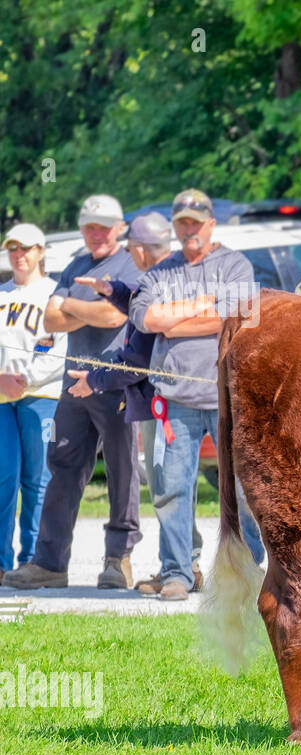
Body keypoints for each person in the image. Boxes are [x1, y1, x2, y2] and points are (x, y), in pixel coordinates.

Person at [4, 195, 143, 591]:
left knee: (123, 472)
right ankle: (50, 562)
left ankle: (118, 560)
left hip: (116, 381)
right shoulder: (77, 264)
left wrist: (71, 306)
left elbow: (115, 314)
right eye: (89, 226)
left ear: (119, 228)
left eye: (103, 226)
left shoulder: (130, 264)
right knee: (61, 468)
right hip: (73, 385)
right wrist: (82, 307)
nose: (95, 233)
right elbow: (49, 318)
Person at [67, 212, 210, 593]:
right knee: (177, 486)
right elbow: (141, 301)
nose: (129, 254)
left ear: (142, 250)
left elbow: (135, 363)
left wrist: (93, 381)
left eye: (131, 248)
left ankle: (180, 569)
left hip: (165, 401)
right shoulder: (173, 276)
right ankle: (185, 565)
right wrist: (114, 291)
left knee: (167, 487)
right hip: (184, 397)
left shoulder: (157, 284)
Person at [130, 189, 261, 600]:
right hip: (173, 398)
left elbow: (239, 313)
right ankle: (177, 572)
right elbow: (145, 318)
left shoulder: (235, 264)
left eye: (195, 222)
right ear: (175, 226)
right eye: (182, 222)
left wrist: (174, 321)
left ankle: (245, 567)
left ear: (211, 224)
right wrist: (202, 309)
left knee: (243, 488)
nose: (189, 229)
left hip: (229, 397)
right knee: (171, 489)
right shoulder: (160, 272)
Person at [0, 224, 61, 581]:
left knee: (38, 479)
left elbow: (54, 346)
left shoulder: (53, 294)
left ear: (40, 251)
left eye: (26, 248)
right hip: (2, 397)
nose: (19, 255)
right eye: (12, 249)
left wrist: (25, 381)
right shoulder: (1, 294)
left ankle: (35, 558)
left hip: (41, 395)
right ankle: (2, 561)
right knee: (4, 477)